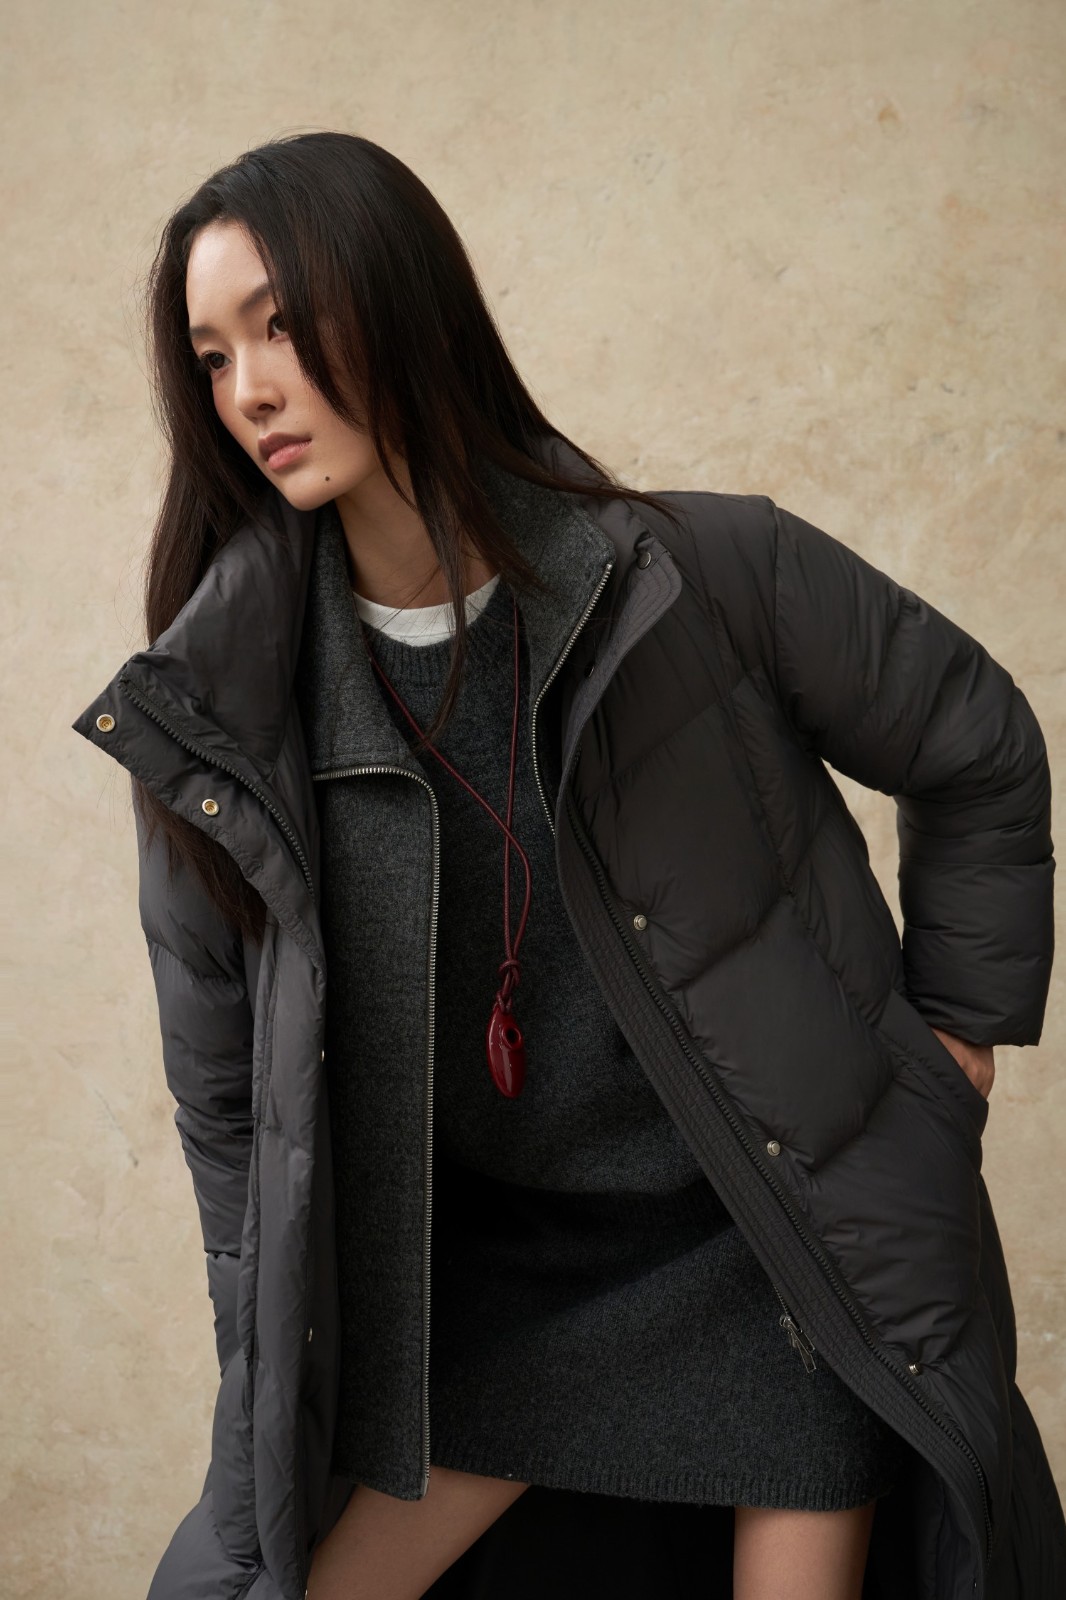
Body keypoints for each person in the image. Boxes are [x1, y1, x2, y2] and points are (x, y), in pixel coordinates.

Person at [71, 131, 1065, 1600]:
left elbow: (975, 740)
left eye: (280, 326)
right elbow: (229, 1105)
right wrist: (274, 1344)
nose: (250, 391)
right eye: (213, 359)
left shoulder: (699, 576)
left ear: (405, 302)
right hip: (491, 1290)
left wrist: (960, 1035)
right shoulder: (227, 716)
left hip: (766, 1247)